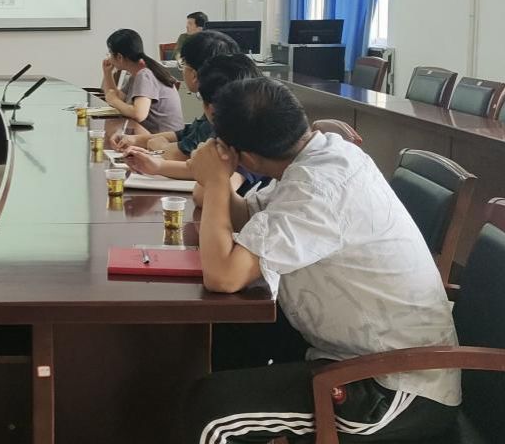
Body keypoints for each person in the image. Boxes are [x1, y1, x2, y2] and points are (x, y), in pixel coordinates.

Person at [183, 77, 460, 443]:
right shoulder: (319, 155)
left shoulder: (318, 188)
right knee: (229, 335)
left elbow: (224, 277)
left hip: (392, 385)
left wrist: (219, 181)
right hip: (353, 352)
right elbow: (248, 218)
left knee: (211, 413)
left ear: (244, 157)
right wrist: (216, 179)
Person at [126, 53, 265, 192]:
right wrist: (157, 166)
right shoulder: (238, 133)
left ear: (211, 108)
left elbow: (217, 188)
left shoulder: (246, 148)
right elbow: (197, 168)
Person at [114, 30, 240, 179]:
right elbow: (188, 132)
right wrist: (138, 140)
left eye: (183, 64)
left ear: (194, 75)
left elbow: (181, 155)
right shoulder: (226, 97)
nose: (182, 69)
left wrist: (161, 147)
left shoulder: (221, 108)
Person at [100, 29, 184, 134]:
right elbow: (118, 97)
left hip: (165, 139)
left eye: (110, 53)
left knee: (113, 128)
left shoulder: (145, 75)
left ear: (120, 57)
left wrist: (113, 100)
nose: (109, 57)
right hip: (155, 135)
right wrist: (107, 73)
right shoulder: (137, 73)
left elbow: (139, 114)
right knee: (114, 126)